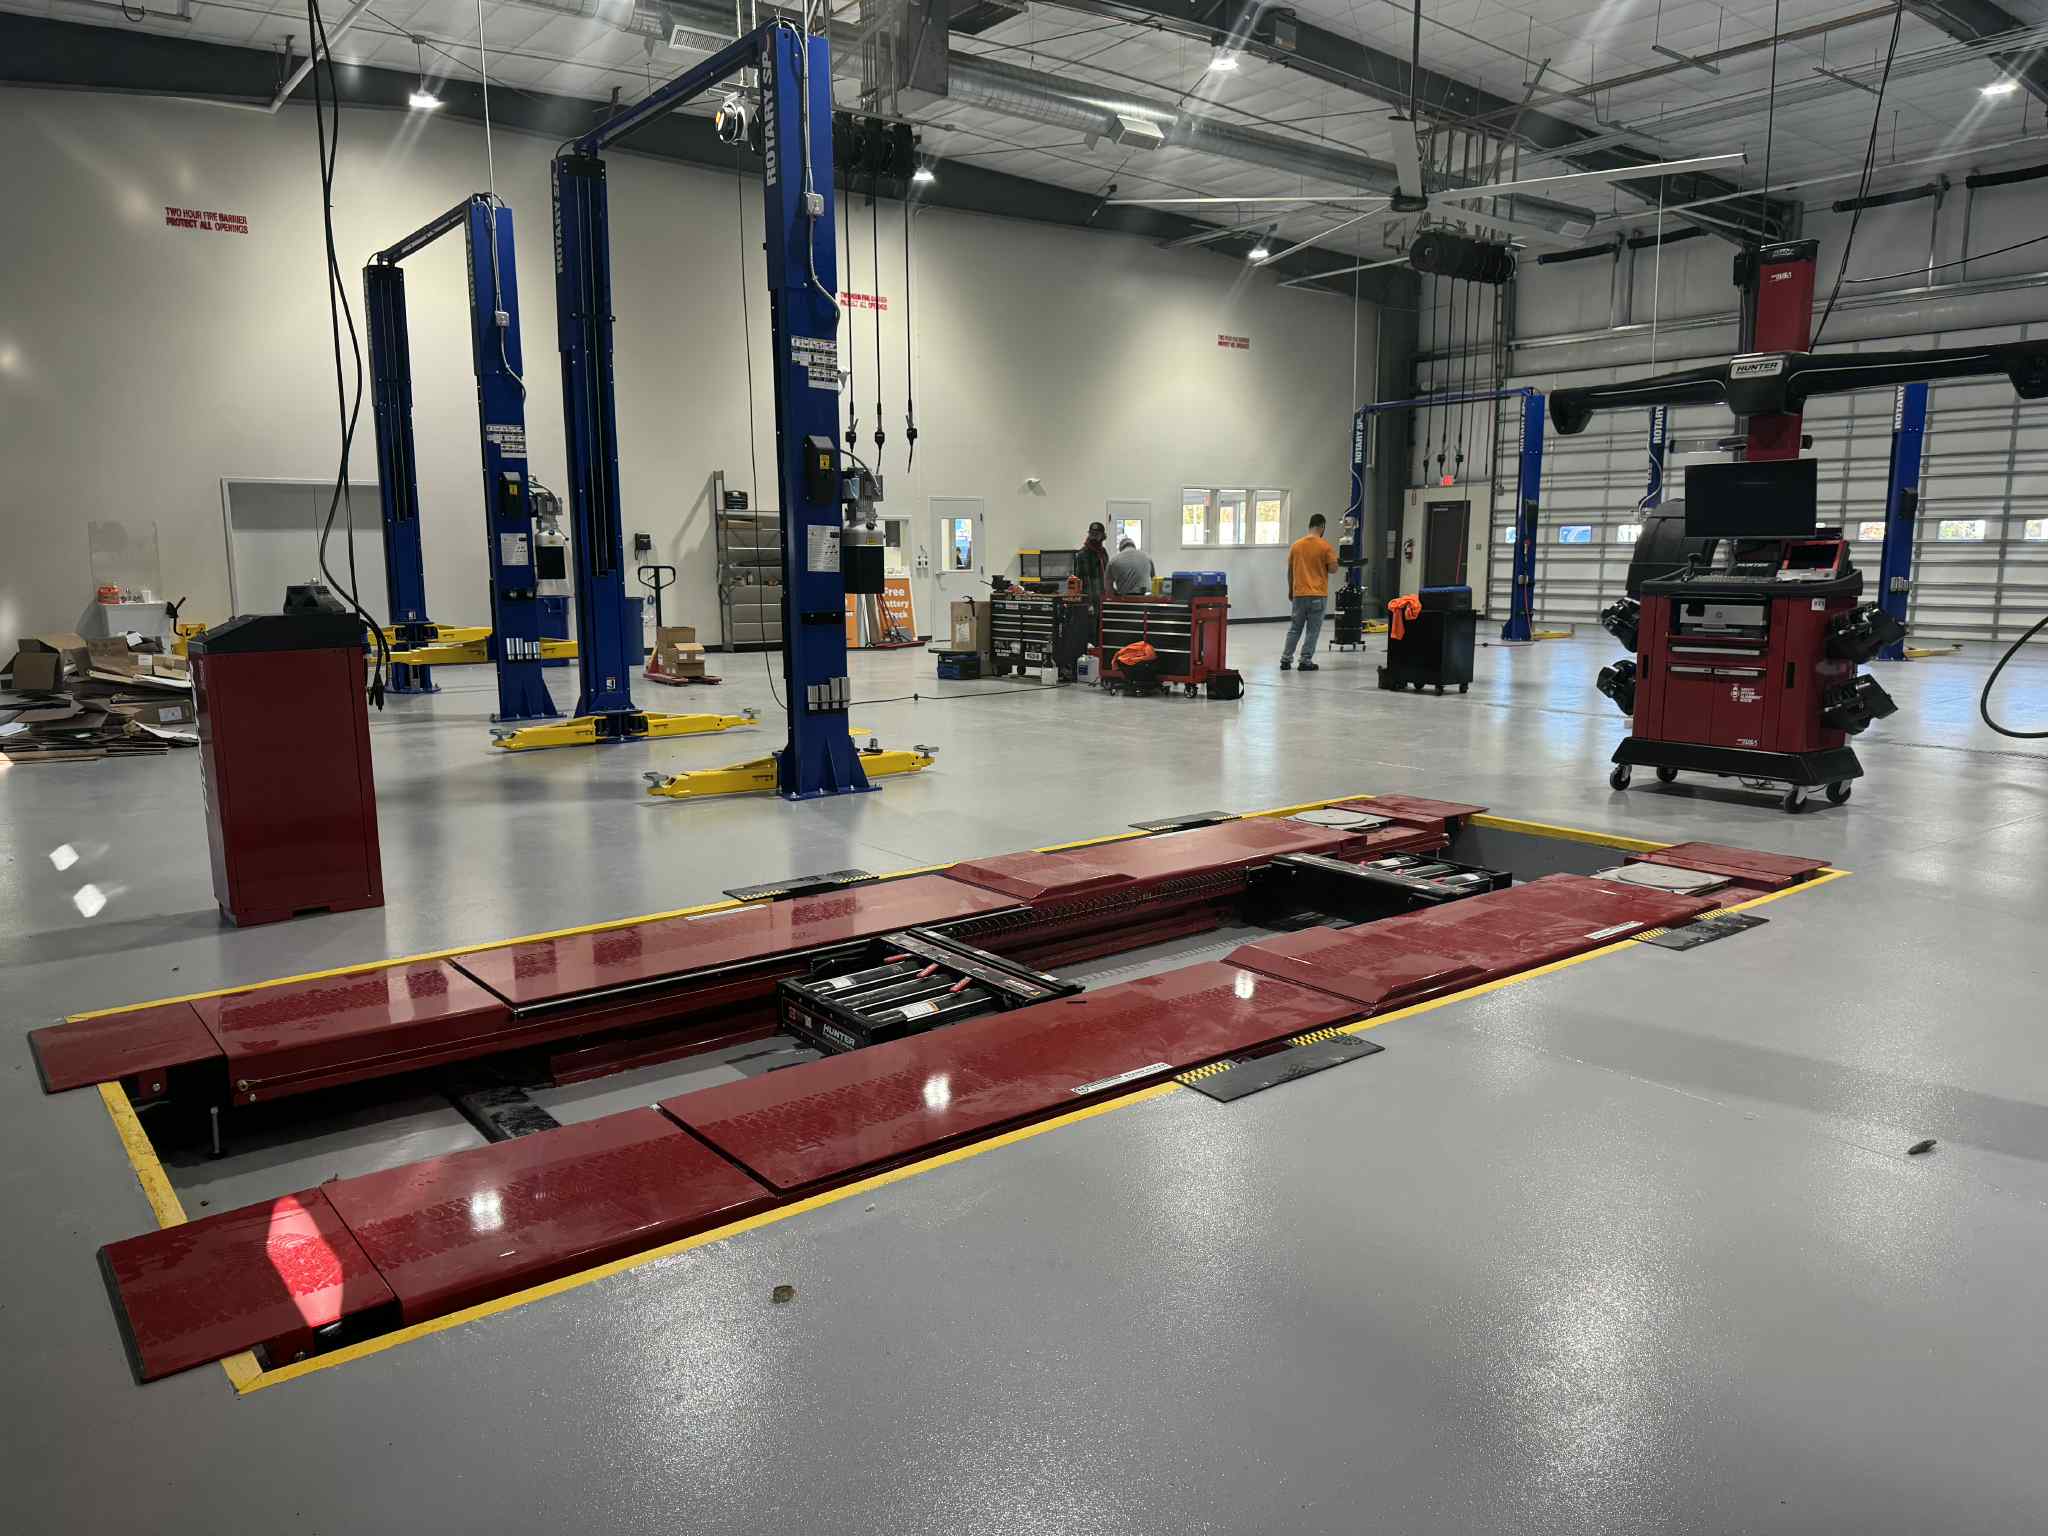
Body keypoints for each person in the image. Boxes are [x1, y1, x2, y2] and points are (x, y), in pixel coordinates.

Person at [1281, 513, 1339, 672]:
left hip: (1299, 594)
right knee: (1312, 631)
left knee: (1295, 628)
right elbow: (1333, 569)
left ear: (1310, 526)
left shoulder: (1296, 546)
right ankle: (1305, 661)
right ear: (1322, 526)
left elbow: (1290, 572)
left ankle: (1285, 659)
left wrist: (1291, 590)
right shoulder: (1325, 546)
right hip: (1318, 595)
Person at [1073, 521, 1110, 598]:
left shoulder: (1103, 552)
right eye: (1092, 534)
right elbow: (1078, 577)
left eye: (1096, 534)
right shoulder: (1083, 553)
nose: (1094, 537)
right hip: (1088, 596)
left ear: (1103, 536)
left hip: (1103, 594)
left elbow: (1107, 573)